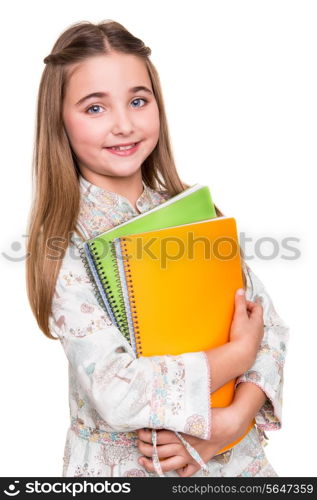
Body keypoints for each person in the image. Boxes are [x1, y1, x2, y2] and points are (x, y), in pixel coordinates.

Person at [25, 19, 289, 478]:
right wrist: (235, 357)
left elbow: (268, 326)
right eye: (94, 108)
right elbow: (117, 390)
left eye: (138, 101)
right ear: (59, 121)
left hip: (232, 463)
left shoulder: (195, 212)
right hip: (133, 470)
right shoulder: (62, 243)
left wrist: (232, 422)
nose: (124, 124)